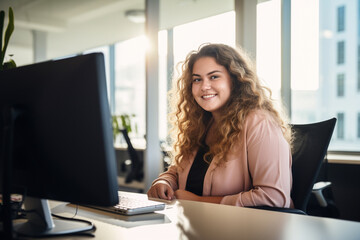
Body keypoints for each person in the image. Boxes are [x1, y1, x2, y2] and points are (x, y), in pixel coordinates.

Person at [147, 43, 293, 208]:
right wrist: (164, 182)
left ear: (235, 79)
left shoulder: (259, 123)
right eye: (197, 79)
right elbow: (177, 171)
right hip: (197, 226)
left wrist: (198, 201)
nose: (204, 86)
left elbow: (274, 198)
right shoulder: (201, 124)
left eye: (214, 76)